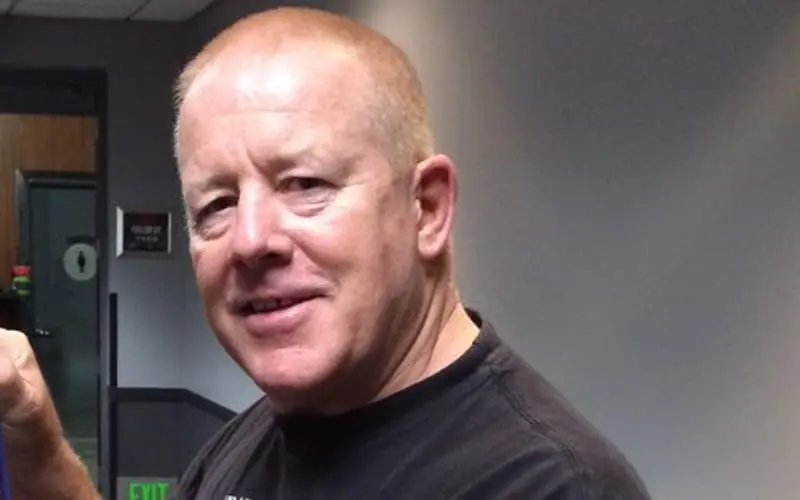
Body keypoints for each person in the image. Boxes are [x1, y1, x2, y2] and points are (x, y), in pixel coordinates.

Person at [0, 6, 651, 499]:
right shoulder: (258, 437)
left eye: (305, 185)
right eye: (217, 205)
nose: (251, 240)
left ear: (427, 208)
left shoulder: (545, 484)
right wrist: (35, 435)